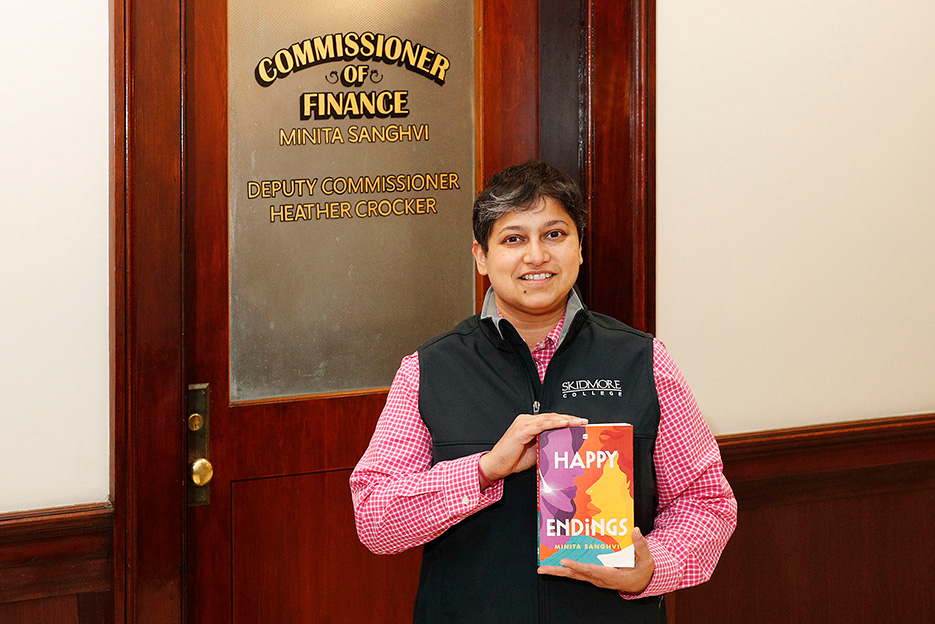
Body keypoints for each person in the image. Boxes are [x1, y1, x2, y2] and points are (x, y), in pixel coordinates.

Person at [350, 161, 736, 624]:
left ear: (578, 249)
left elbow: (706, 502)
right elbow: (375, 519)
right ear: (480, 256)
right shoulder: (429, 369)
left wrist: (652, 567)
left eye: (554, 234)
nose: (536, 256)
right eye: (513, 239)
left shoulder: (643, 360)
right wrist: (485, 470)